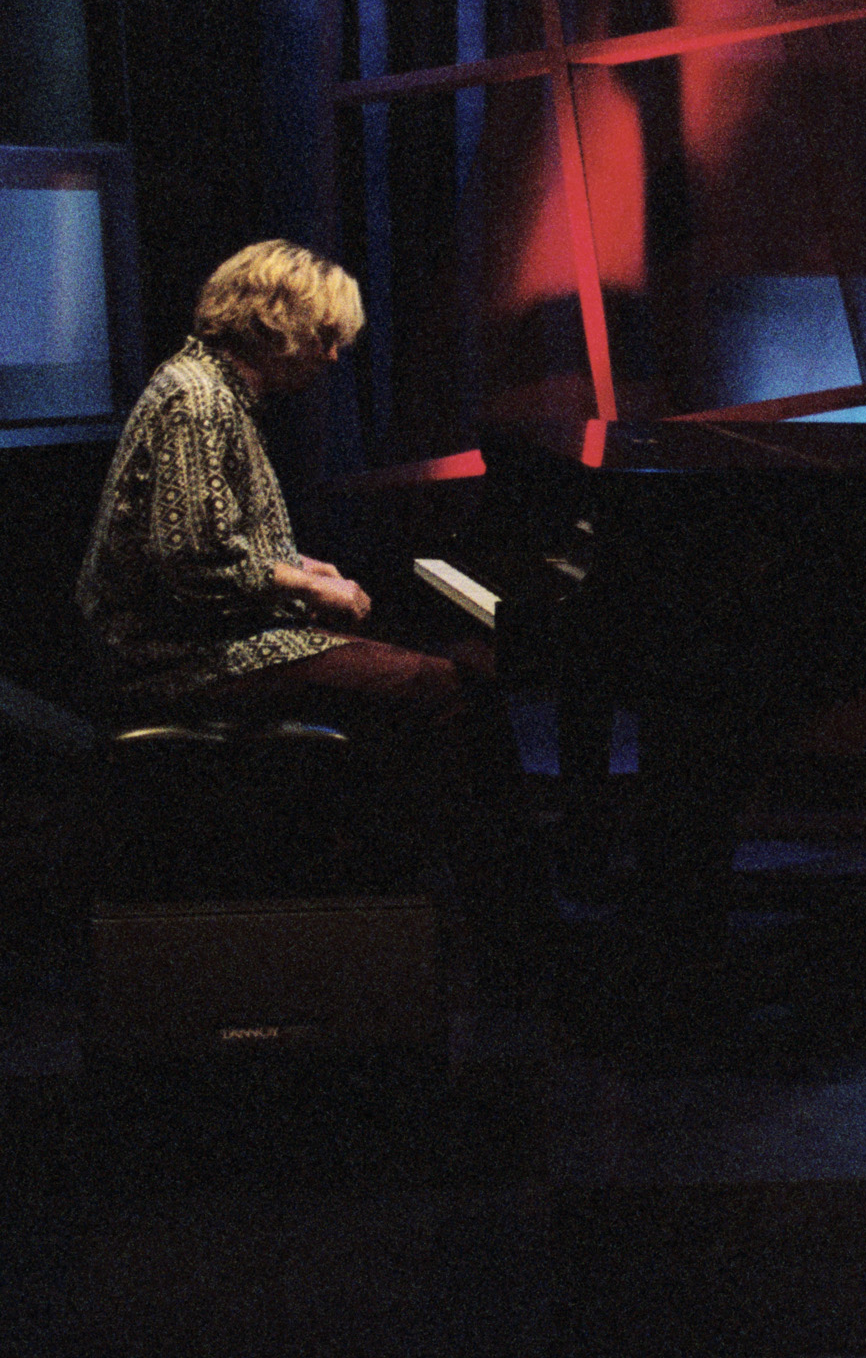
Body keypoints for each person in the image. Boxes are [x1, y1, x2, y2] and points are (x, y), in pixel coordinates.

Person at [76, 240, 550, 979]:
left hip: (213, 637)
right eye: (325, 335)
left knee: (436, 664)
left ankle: (417, 903)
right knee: (447, 691)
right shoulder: (197, 400)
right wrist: (303, 588)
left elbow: (211, 536)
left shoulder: (210, 390)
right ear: (275, 323)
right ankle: (504, 938)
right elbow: (190, 556)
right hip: (183, 659)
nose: (334, 357)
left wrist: (298, 567)